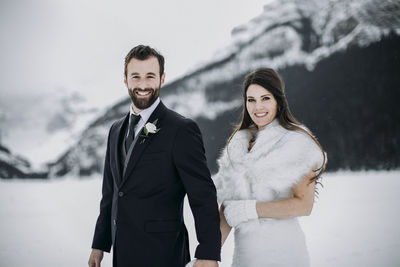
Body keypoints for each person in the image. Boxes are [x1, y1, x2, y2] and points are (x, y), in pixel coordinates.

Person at [88, 45, 221, 267]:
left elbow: (203, 196)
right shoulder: (115, 129)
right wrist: (99, 244)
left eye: (150, 76)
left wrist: (208, 253)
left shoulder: (181, 129)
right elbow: (111, 191)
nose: (142, 84)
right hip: (123, 255)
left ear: (162, 78)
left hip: (164, 253)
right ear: (125, 80)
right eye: (135, 77)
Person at [213, 68, 327, 266]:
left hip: (283, 254)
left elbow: (304, 205)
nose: (258, 107)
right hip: (244, 257)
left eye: (265, 98)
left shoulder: (295, 142)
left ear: (278, 101)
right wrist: (209, 254)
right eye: (251, 100)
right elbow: (229, 208)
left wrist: (251, 210)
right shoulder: (238, 144)